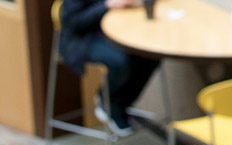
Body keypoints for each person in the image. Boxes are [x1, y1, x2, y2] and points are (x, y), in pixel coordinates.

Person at [59, 0, 159, 136]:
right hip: (85, 38)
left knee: (150, 56)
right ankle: (106, 99)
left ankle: (119, 103)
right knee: (119, 60)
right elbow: (73, 22)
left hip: (120, 30)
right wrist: (107, 5)